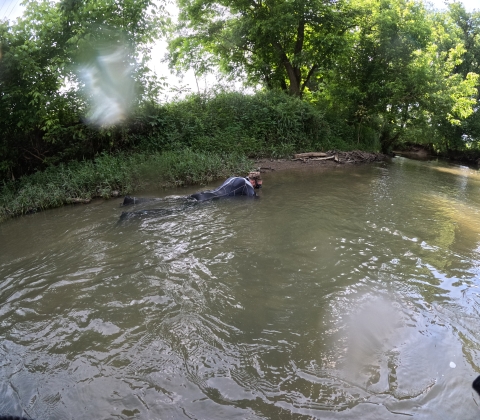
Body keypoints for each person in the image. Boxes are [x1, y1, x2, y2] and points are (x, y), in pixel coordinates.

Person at [189, 171, 262, 201]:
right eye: (258, 183)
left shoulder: (235, 178)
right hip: (207, 199)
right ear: (252, 181)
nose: (258, 185)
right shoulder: (247, 184)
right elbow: (254, 198)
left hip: (204, 194)